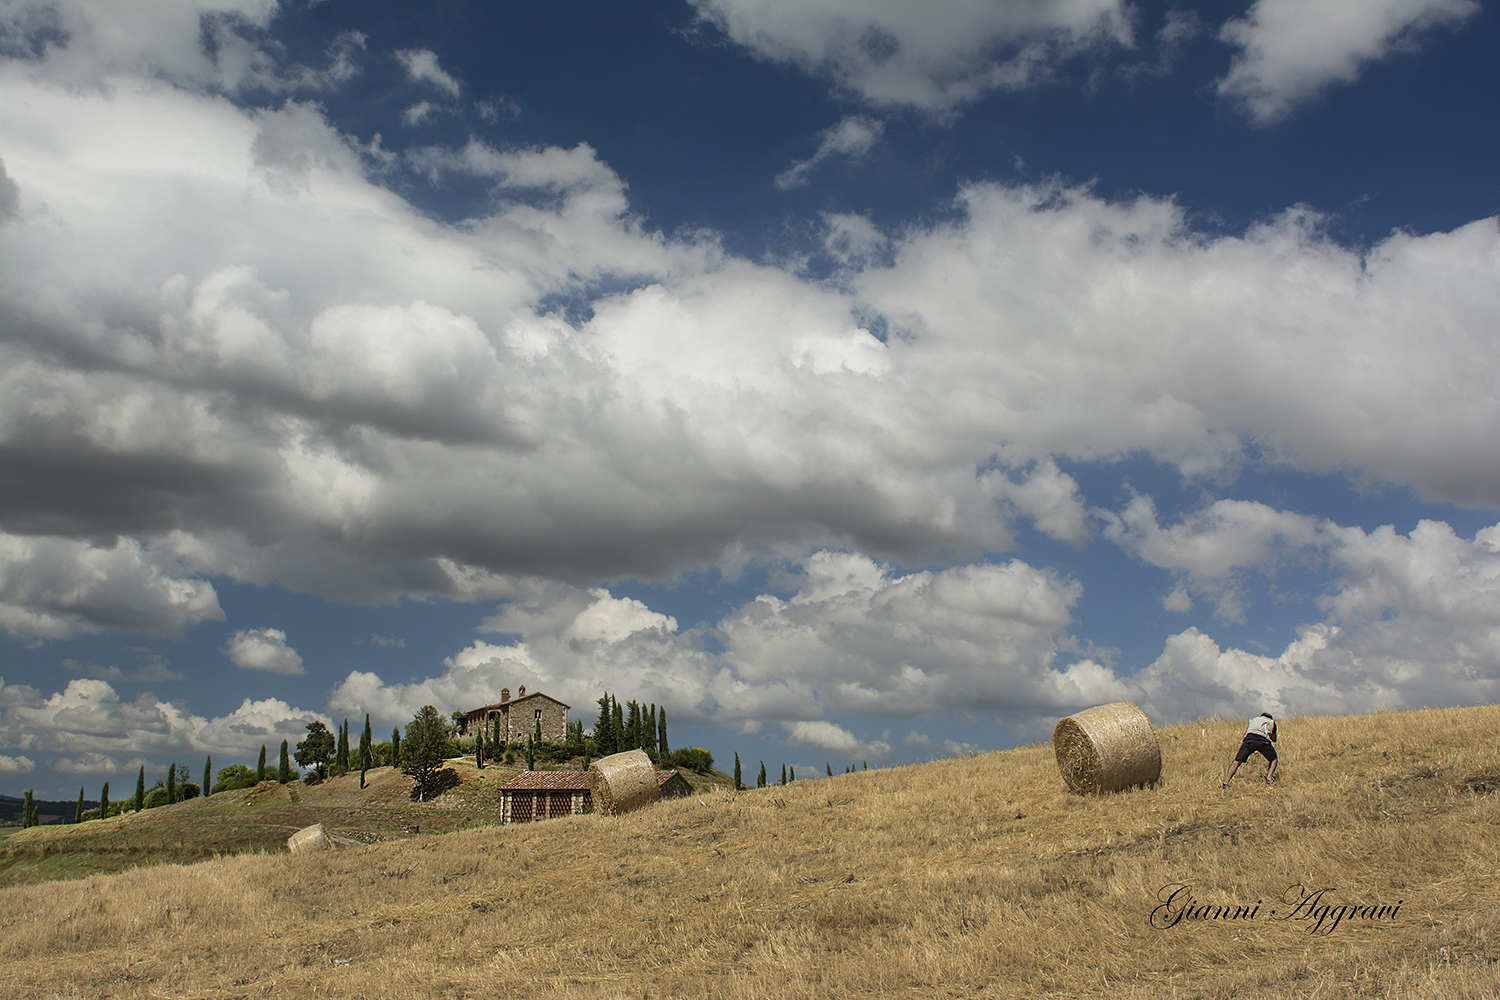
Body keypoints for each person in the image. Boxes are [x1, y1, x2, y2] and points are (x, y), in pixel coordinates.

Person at [1222, 712, 1278, 787]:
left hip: (1249, 740)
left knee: (1236, 762)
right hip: (1262, 741)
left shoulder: (1253, 720)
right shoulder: (1271, 722)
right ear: (1270, 718)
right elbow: (1274, 739)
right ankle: (1269, 779)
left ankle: (1225, 783)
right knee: (1274, 759)